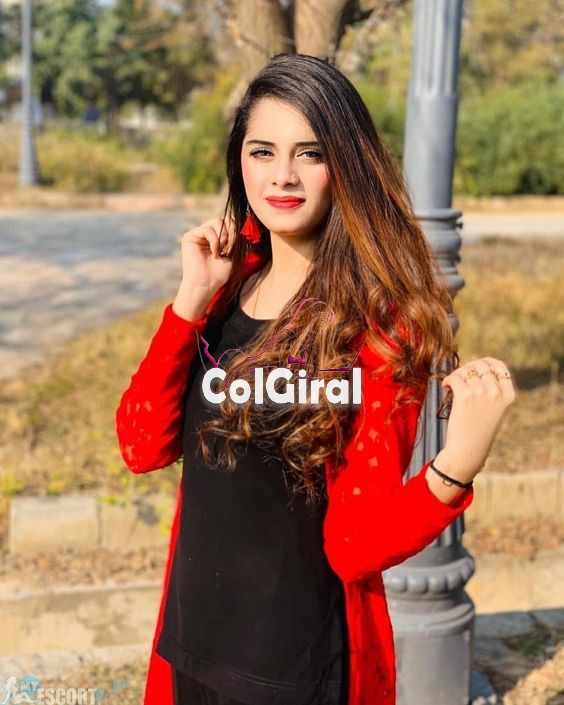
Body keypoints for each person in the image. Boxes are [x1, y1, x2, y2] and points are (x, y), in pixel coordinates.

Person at [115, 54, 516, 705]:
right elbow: (141, 445)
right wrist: (189, 302)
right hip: (193, 648)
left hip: (301, 670)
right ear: (239, 162)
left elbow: (354, 546)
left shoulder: (380, 326)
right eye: (263, 151)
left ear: (346, 165)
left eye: (311, 153)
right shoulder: (224, 292)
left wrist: (455, 466)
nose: (283, 175)